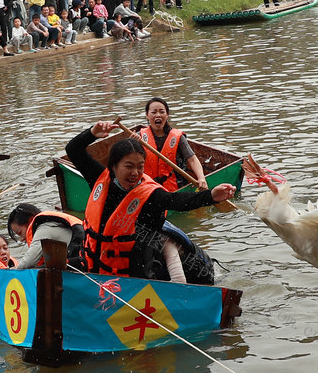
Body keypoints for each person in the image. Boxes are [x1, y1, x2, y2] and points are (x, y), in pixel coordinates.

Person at [65, 121, 235, 283]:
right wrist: (92, 133)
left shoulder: (151, 196)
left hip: (133, 279)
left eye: (140, 166)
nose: (135, 173)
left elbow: (176, 201)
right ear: (114, 167)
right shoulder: (99, 177)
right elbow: (73, 150)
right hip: (94, 267)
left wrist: (211, 196)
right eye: (129, 166)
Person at [133, 97, 208, 190]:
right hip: (147, 187)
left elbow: (192, 159)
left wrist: (201, 178)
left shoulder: (178, 137)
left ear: (167, 115)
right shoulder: (138, 137)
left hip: (173, 187)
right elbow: (127, 159)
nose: (158, 115)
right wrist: (132, 143)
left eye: (162, 112)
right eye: (153, 112)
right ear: (147, 115)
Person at [6, 203, 85, 269]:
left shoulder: (44, 228)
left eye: (20, 232)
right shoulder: (51, 224)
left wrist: (12, 272)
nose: (22, 239)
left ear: (31, 220)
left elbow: (29, 261)